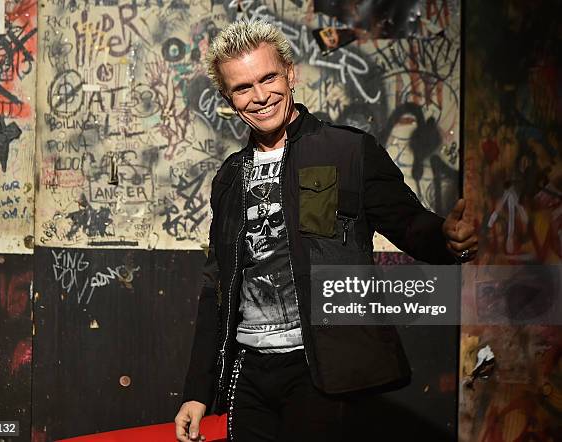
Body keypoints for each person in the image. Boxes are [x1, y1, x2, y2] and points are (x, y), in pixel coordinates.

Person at [175, 20, 477, 442]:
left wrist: (447, 237)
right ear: (228, 98)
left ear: (290, 73)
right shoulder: (229, 177)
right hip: (249, 374)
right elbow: (218, 286)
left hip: (323, 371)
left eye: (268, 78)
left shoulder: (346, 150)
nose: (260, 97)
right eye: (243, 88)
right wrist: (197, 393)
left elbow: (408, 223)